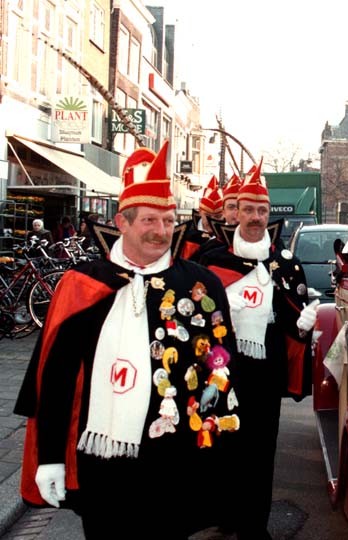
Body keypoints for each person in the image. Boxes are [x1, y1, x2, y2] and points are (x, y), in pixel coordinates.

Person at [14, 141, 243, 540]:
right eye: (150, 221)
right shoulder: (82, 285)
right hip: (101, 464)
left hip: (176, 460)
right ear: (122, 222)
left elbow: (221, 364)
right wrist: (50, 458)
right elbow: (55, 379)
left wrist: (221, 449)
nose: (161, 232)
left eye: (169, 221)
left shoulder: (200, 284)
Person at [198, 162, 317, 540]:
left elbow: (291, 313)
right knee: (222, 442)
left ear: (269, 215)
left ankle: (255, 526)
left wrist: (301, 323)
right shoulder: (212, 259)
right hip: (223, 364)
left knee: (261, 447)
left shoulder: (284, 262)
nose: (254, 217)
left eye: (261, 210)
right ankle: (225, 513)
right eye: (248, 209)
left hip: (266, 364)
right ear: (237, 213)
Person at [180, 175, 222, 259]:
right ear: (200, 213)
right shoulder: (184, 233)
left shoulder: (227, 237)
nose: (212, 220)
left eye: (217, 216)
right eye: (208, 216)